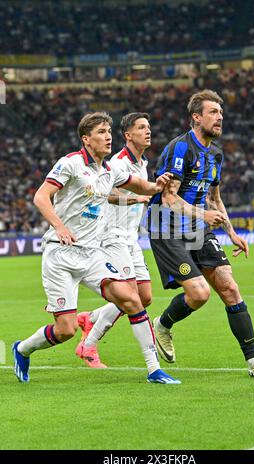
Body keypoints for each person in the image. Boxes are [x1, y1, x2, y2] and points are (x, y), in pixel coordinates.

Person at [12, 111, 180, 385]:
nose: (107, 137)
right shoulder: (71, 163)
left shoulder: (109, 170)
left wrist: (154, 187)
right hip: (61, 255)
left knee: (132, 299)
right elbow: (41, 196)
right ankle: (22, 349)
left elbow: (136, 184)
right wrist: (59, 226)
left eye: (109, 132)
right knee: (65, 330)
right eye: (101, 132)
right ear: (86, 139)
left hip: (92, 255)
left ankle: (154, 370)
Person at [148, 90, 254, 377]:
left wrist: (231, 231)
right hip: (167, 229)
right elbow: (169, 199)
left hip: (199, 228)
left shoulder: (216, 154)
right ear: (196, 117)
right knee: (199, 295)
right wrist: (204, 215)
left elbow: (214, 198)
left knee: (230, 288)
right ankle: (162, 324)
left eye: (221, 113)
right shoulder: (181, 148)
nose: (220, 117)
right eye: (213, 112)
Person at [75, 112, 153, 368]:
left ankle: (92, 317)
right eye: (142, 127)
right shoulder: (117, 162)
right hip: (112, 236)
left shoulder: (143, 163)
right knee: (130, 296)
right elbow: (107, 194)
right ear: (128, 135)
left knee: (145, 297)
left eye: (148, 127)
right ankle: (88, 345)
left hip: (131, 238)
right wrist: (135, 197)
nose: (148, 131)